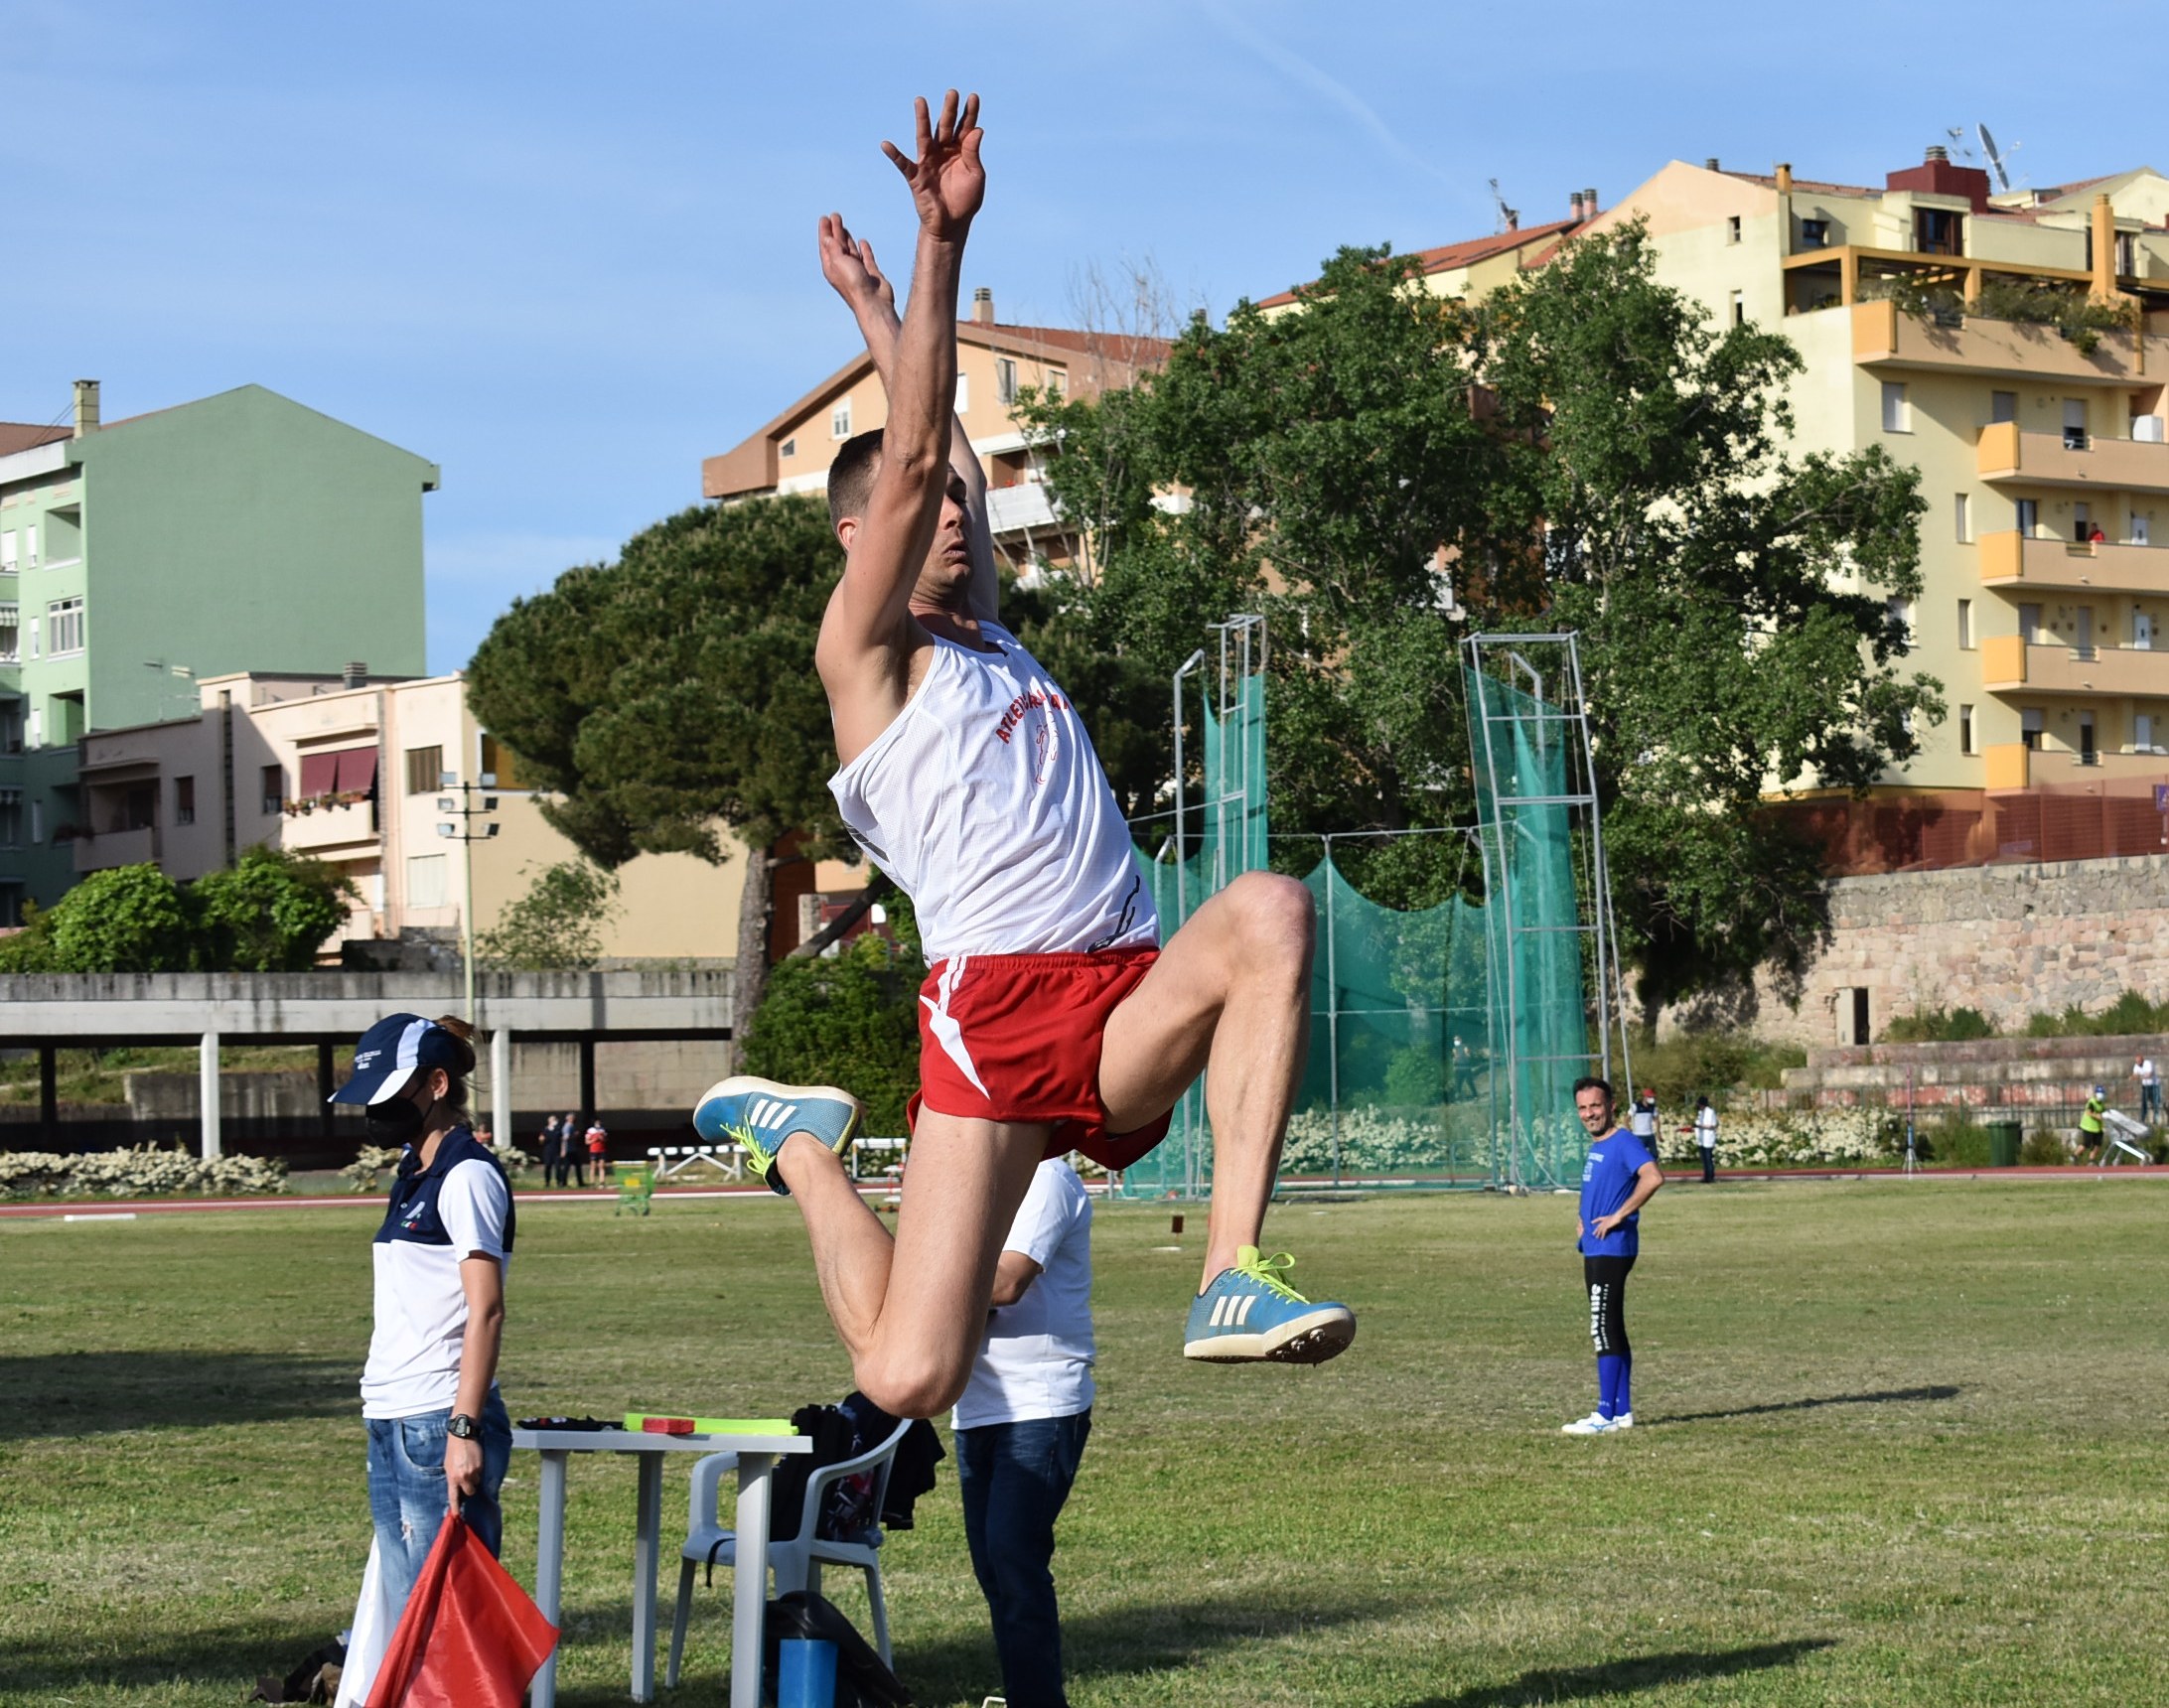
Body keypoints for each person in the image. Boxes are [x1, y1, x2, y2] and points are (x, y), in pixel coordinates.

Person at [693, 91, 1352, 1422]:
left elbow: (943, 451)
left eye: (960, 507)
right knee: (911, 1374)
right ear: (855, 540)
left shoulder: (991, 631)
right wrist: (938, 244)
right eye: (920, 510)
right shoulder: (867, 657)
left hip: (1116, 995)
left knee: (1271, 911)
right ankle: (802, 1149)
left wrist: (880, 313)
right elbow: (913, 448)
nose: (950, 517)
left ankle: (1228, 1273)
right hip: (993, 1012)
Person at [330, 1012, 514, 1619]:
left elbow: (486, 1310)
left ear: (437, 1084)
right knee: (406, 1611)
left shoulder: (467, 1175)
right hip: (391, 1411)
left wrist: (463, 1429)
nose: (374, 1110)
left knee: (445, 1615)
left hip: (436, 1416)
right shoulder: (413, 1173)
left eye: (387, 1093)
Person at [953, 1157, 1094, 1708]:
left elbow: (1008, 1281)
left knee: (1013, 1556)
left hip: (1041, 1400)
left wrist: (922, 1294)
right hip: (976, 1404)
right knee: (994, 1567)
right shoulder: (969, 1179)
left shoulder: (1045, 1175)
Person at [1563, 1077, 1663, 1436]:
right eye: (1583, 1108)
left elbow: (1652, 1177)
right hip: (1595, 1247)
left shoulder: (1623, 1142)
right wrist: (1583, 1218)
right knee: (1613, 1327)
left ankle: (1604, 1414)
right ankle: (1621, 1411)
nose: (1589, 1113)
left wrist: (1619, 1215)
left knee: (1602, 1328)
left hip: (1612, 1248)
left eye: (1595, 1105)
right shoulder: (1598, 1146)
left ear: (1611, 1106)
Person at [1693, 1094, 1718, 1184]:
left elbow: (1713, 1125)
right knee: (1704, 1160)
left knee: (1708, 1159)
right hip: (1701, 1139)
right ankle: (1706, 1176)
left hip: (1708, 1138)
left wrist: (1700, 1126)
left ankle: (1710, 1177)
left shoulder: (1710, 1112)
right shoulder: (1700, 1113)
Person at [2078, 1086, 2106, 1163]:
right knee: (2086, 1144)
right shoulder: (2092, 1102)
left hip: (2097, 1128)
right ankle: (2074, 1156)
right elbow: (2088, 1112)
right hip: (2088, 1127)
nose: (2101, 1095)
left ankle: (2091, 1160)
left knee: (2097, 1145)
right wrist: (2097, 1116)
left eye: (2102, 1093)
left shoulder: (2102, 1104)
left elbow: (2104, 1113)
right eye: (2099, 1093)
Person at [2135, 1055, 2161, 1126]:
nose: (2138, 1063)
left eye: (2139, 1062)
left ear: (2142, 1061)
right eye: (2137, 1062)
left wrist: (2140, 1076)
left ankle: (2156, 1120)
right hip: (2145, 1086)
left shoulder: (2148, 1063)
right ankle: (2142, 1120)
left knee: (2155, 1103)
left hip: (2154, 1085)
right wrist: (2136, 1076)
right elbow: (2135, 1075)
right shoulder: (2136, 1065)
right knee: (2144, 1103)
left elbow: (2149, 1074)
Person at [538, 1114, 563, 1189]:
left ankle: (559, 1182)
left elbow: (562, 1140)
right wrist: (541, 1140)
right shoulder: (545, 1130)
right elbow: (541, 1140)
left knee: (558, 1167)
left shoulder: (558, 1130)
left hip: (557, 1151)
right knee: (548, 1166)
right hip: (548, 1151)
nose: (554, 1121)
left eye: (555, 1120)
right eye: (553, 1120)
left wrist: (563, 1150)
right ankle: (547, 1182)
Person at [585, 1116, 609, 1187]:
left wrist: (602, 1139)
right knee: (593, 1166)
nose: (598, 1123)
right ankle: (592, 1182)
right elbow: (587, 1142)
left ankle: (602, 1182)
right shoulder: (590, 1130)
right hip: (593, 1150)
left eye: (599, 1122)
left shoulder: (603, 1130)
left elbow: (606, 1139)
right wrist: (594, 1140)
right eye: (597, 1122)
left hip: (602, 1150)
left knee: (602, 1166)